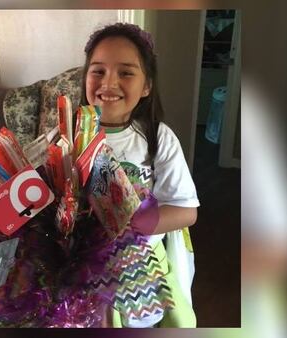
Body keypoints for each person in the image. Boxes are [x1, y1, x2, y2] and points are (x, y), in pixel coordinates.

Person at [81, 23, 200, 328]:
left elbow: (186, 211)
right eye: (98, 71)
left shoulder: (157, 138)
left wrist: (135, 223)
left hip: (139, 276)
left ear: (147, 86)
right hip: (80, 274)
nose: (108, 83)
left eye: (126, 72)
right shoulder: (68, 134)